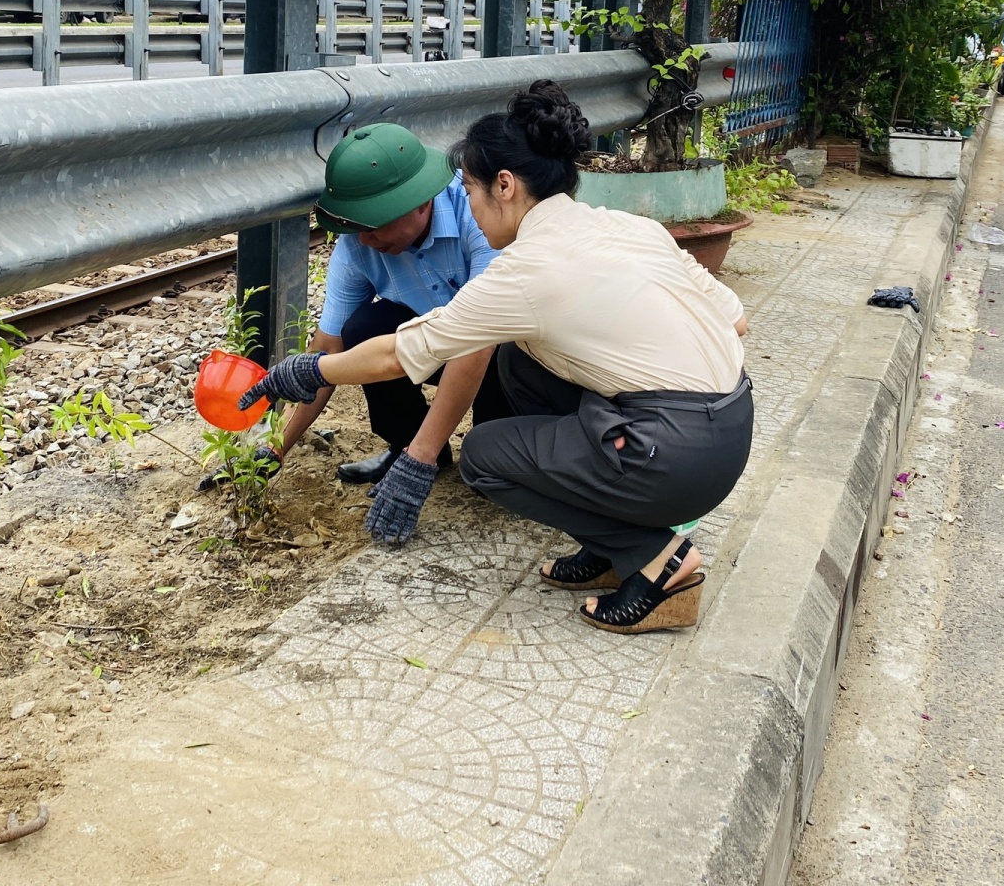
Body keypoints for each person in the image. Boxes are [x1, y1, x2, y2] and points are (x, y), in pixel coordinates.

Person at [236, 81, 754, 635]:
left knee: (485, 456)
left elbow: (398, 354)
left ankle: (658, 560)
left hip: (672, 455)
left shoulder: (525, 269)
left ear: (504, 185)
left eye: (471, 190)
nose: (470, 207)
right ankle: (607, 544)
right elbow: (736, 319)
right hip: (729, 427)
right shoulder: (627, 225)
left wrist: (307, 370)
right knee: (524, 364)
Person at [201, 122, 510, 497]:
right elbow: (328, 351)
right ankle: (405, 443)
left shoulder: (479, 212)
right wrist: (273, 450)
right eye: (355, 225)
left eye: (375, 224)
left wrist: (421, 459)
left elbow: (477, 340)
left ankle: (484, 452)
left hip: (500, 344)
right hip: (437, 342)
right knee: (363, 328)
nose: (365, 239)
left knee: (488, 467)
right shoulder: (358, 245)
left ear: (421, 202)